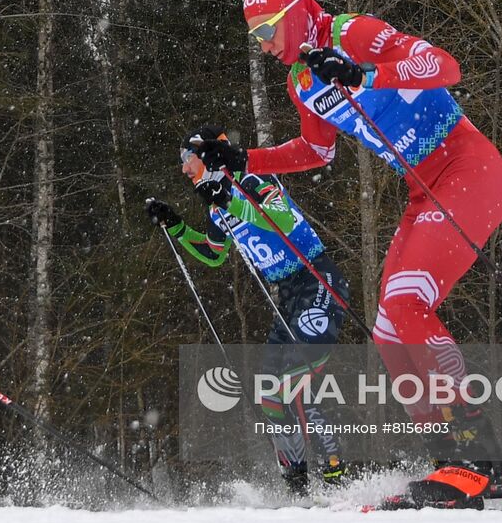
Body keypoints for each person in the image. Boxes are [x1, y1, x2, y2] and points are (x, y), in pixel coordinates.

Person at [191, 0, 502, 510]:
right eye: (255, 37)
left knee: (409, 304)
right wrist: (245, 160)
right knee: (390, 327)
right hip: (423, 190)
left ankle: (481, 456)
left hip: (467, 169)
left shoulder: (350, 33)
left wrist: (366, 74)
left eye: (268, 29)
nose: (265, 45)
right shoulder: (301, 80)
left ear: (296, 13)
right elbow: (316, 153)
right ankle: (450, 457)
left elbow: (444, 65)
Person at [145, 127, 350, 494]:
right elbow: (212, 253)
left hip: (317, 283)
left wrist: (231, 200)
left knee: (292, 385)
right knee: (270, 394)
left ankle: (338, 479)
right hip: (287, 297)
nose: (183, 169)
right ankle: (297, 485)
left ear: (205, 155)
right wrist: (175, 224)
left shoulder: (253, 178)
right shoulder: (214, 201)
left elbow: (283, 220)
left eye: (185, 159)